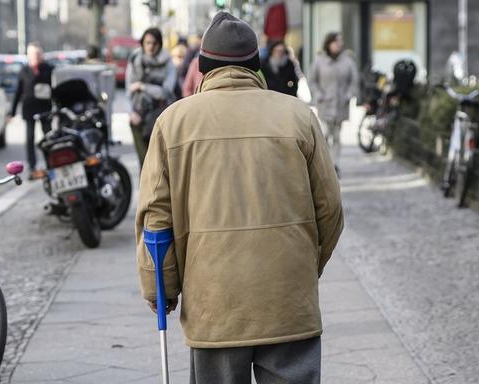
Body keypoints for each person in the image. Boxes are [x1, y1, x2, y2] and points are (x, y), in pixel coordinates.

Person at [136, 12, 343, 384]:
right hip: (288, 302)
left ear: (203, 67)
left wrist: (160, 286)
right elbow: (330, 210)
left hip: (214, 305)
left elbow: (156, 216)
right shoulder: (298, 117)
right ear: (256, 64)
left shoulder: (173, 122)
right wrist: (305, 268)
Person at [309, 32, 359, 173]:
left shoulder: (347, 61)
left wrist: (349, 95)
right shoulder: (319, 61)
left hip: (341, 104)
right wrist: (319, 95)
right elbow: (312, 81)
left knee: (337, 135)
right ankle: (324, 162)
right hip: (325, 103)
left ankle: (334, 163)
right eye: (336, 42)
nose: (339, 45)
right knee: (324, 133)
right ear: (329, 43)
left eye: (340, 42)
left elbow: (354, 80)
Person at [126, 27, 176, 166]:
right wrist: (130, 113)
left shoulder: (167, 62)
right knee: (144, 162)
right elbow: (128, 90)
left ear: (160, 44)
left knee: (160, 163)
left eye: (154, 43)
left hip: (160, 116)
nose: (150, 47)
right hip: (138, 117)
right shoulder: (135, 59)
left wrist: (142, 86)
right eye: (147, 43)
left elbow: (165, 92)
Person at [9, 43, 55, 174]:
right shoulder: (24, 71)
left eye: (38, 54)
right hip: (29, 109)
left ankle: (51, 163)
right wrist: (11, 112)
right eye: (33, 55)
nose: (36, 57)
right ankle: (32, 165)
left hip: (45, 108)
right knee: (30, 138)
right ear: (28, 56)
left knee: (48, 138)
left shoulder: (49, 69)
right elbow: (18, 92)